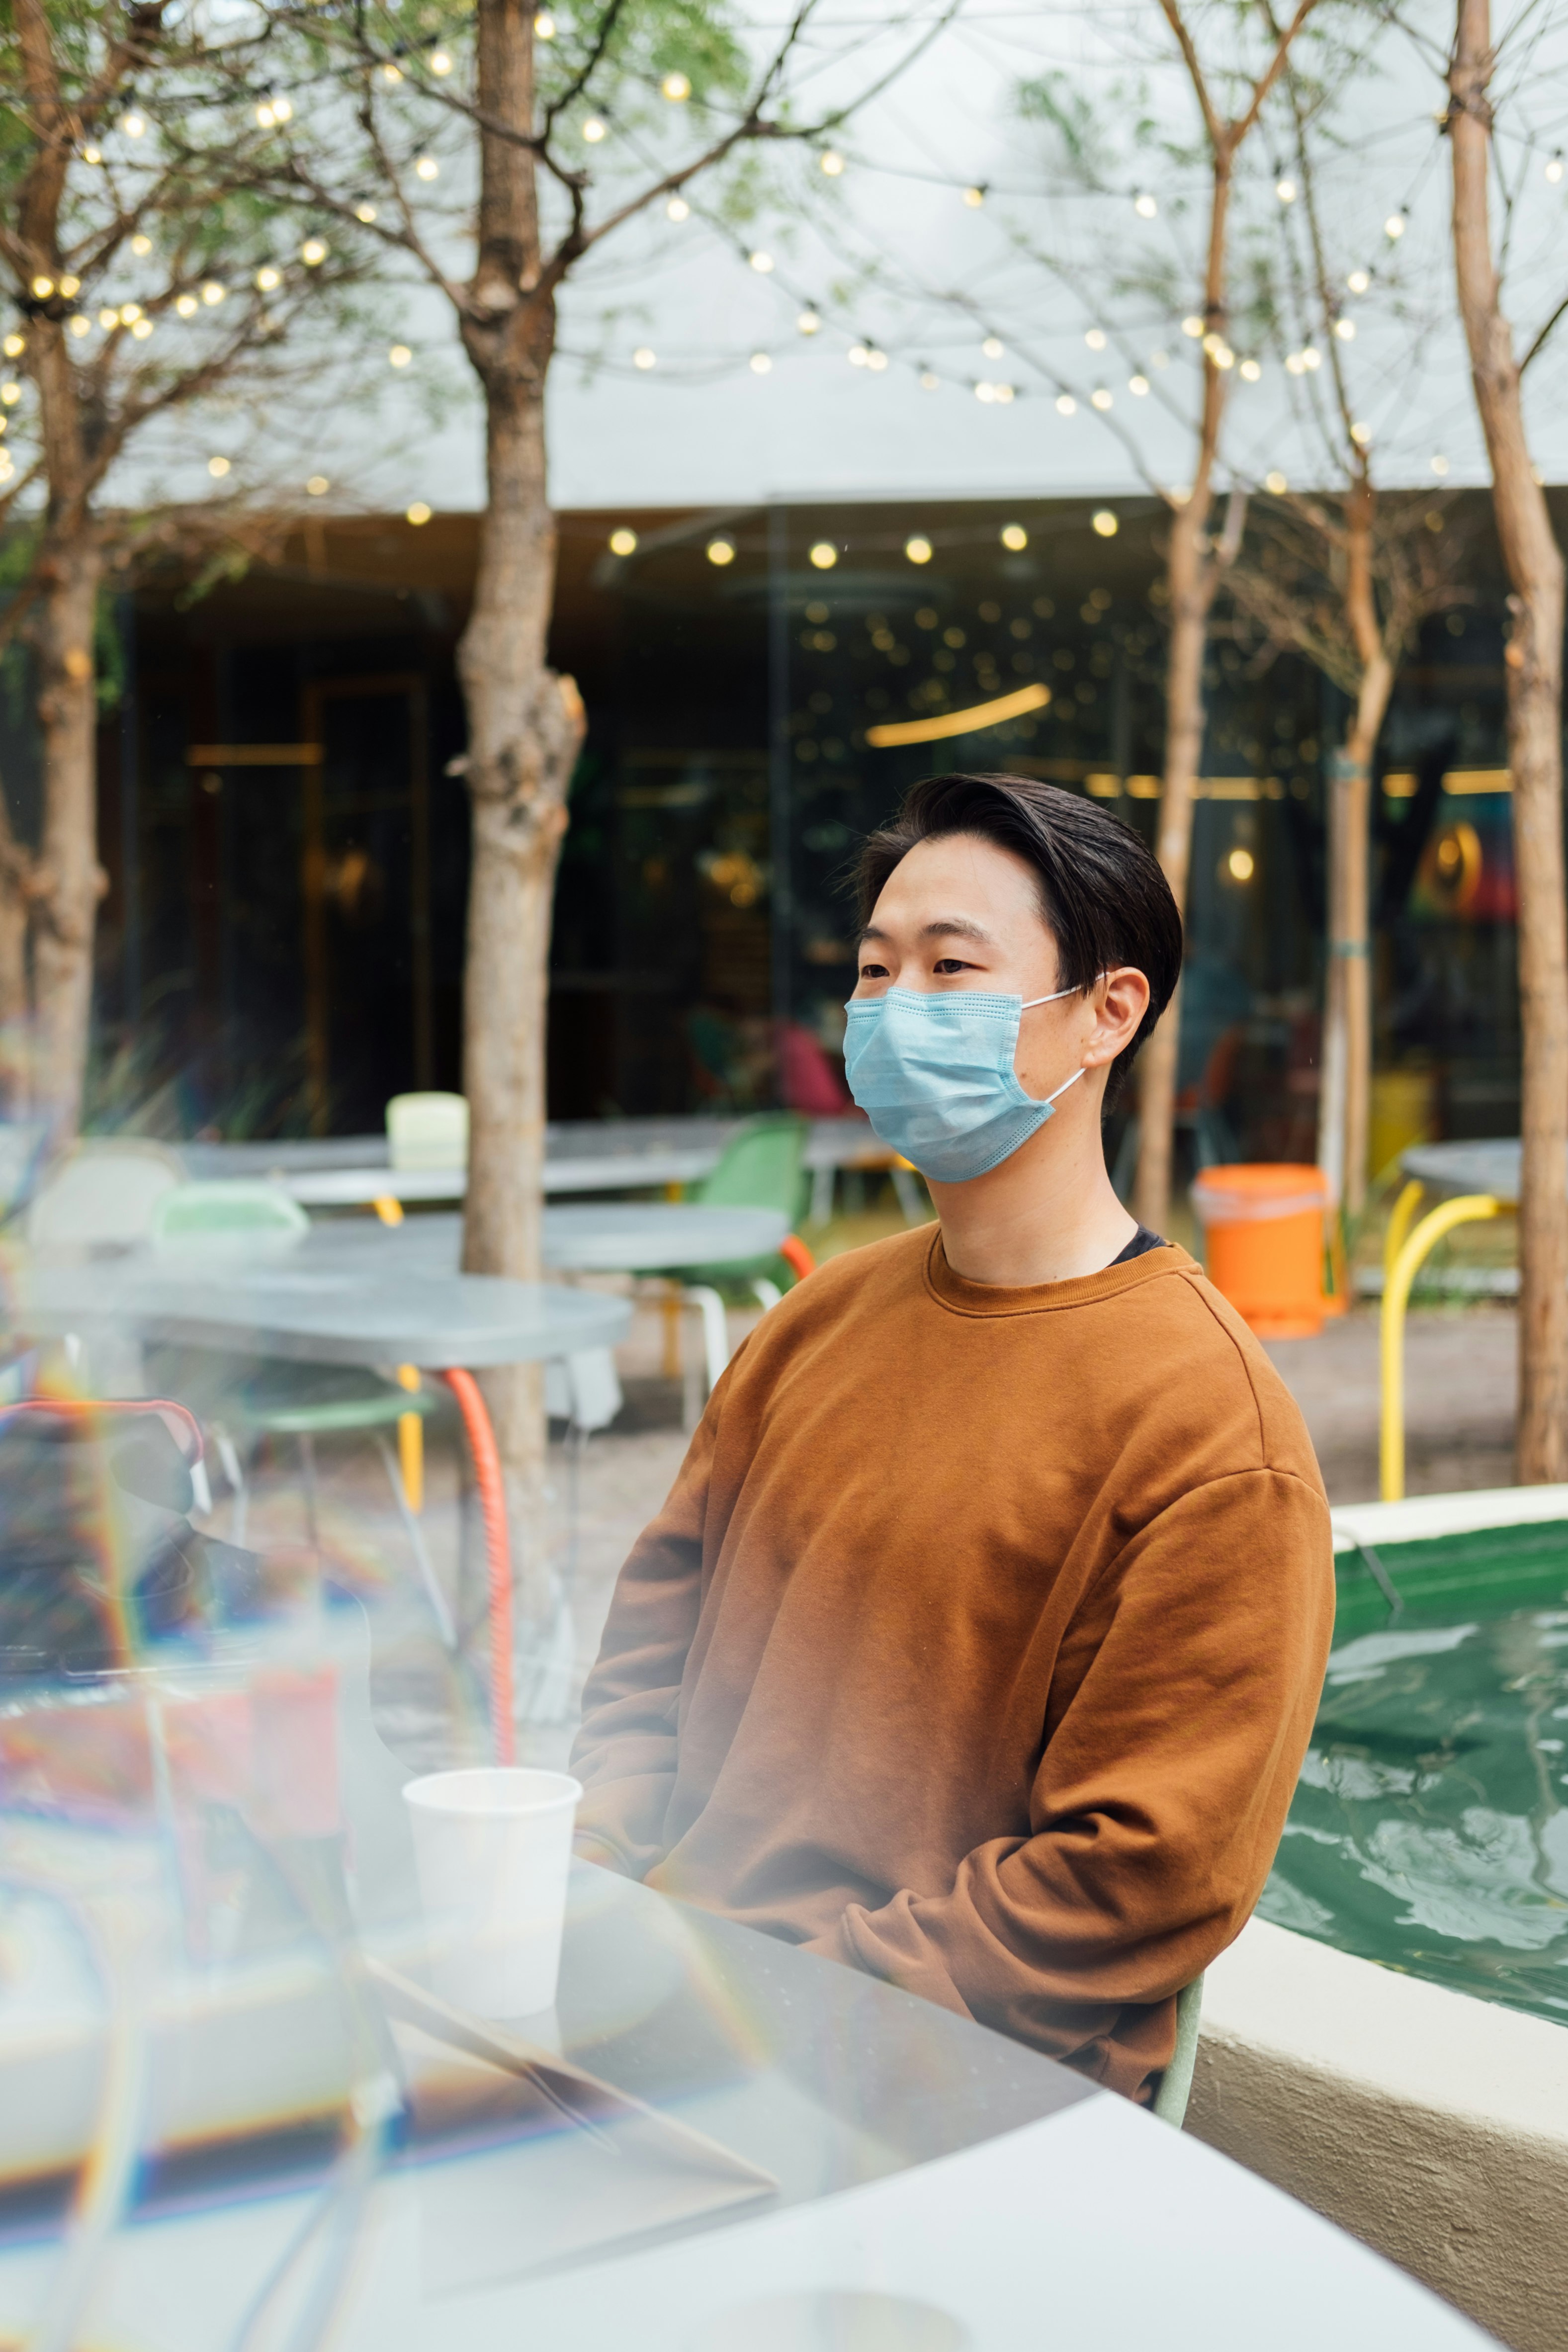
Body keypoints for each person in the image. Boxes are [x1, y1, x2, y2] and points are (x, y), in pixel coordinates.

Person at [571, 772, 1334, 2103]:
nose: (890, 1006)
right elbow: (650, 1640)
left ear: (1109, 1010)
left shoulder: (1209, 1426)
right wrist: (603, 1876)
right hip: (660, 2019)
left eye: (949, 965)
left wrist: (774, 2013)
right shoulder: (813, 1323)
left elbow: (1138, 1871)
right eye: (872, 970)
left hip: (936, 2101)